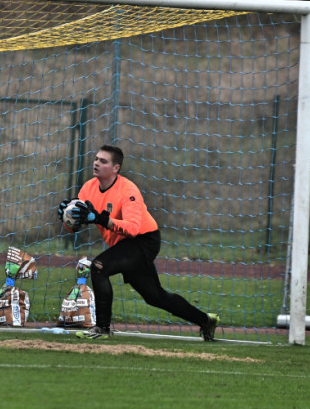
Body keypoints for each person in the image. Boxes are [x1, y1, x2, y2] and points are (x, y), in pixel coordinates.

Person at [57, 144, 219, 341]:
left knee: (99, 267)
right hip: (124, 246)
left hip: (144, 241)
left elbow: (133, 228)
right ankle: (205, 320)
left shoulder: (128, 190)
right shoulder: (88, 188)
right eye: (96, 159)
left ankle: (102, 328)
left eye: (103, 161)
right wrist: (67, 219)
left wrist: (100, 219)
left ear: (116, 168)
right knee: (155, 297)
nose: (97, 163)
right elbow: (79, 223)